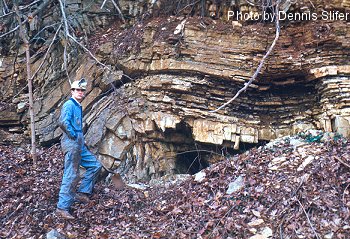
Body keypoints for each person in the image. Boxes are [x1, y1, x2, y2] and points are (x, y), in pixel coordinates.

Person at [56, 78, 102, 220]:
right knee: (71, 174)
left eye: (82, 90)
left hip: (79, 145)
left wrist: (81, 139)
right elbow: (63, 122)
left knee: (95, 166)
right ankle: (62, 207)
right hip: (72, 144)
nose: (81, 92)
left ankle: (81, 193)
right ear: (72, 91)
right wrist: (75, 136)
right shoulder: (69, 104)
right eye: (78, 90)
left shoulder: (78, 106)